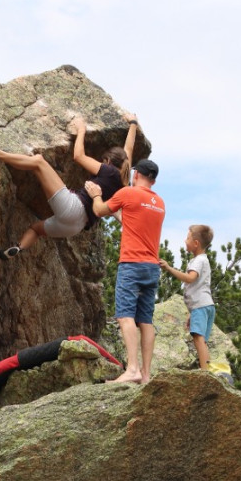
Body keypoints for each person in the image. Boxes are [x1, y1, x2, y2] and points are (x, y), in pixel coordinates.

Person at [0, 112, 139, 260]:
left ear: (109, 161)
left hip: (73, 208)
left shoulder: (109, 170)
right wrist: (132, 123)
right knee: (36, 229)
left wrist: (81, 129)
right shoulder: (124, 185)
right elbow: (128, 150)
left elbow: (78, 156)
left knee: (39, 161)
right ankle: (18, 248)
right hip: (75, 227)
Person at [86, 159, 165, 383]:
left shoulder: (128, 193)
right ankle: (146, 375)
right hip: (151, 267)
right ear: (154, 179)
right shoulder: (159, 203)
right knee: (146, 320)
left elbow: (99, 210)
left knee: (125, 316)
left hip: (131, 264)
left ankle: (132, 369)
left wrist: (95, 195)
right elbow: (133, 221)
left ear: (137, 174)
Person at [159, 225, 216, 370]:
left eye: (188, 238)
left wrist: (169, 268)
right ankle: (207, 368)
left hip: (200, 306)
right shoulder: (203, 260)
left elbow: (190, 278)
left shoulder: (198, 261)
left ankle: (205, 371)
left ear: (196, 243)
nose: (185, 241)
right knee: (201, 340)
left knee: (198, 338)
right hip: (206, 305)